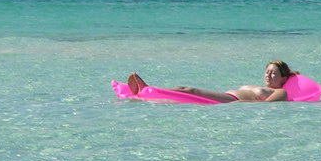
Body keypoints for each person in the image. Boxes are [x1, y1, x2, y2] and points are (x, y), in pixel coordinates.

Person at [127, 60, 298, 103]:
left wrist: (239, 104)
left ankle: (147, 89)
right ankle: (150, 92)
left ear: (283, 78)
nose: (268, 75)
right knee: (183, 89)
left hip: (234, 101)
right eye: (267, 71)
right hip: (227, 96)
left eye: (273, 74)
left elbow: (267, 106)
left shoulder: (281, 92)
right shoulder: (259, 86)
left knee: (191, 90)